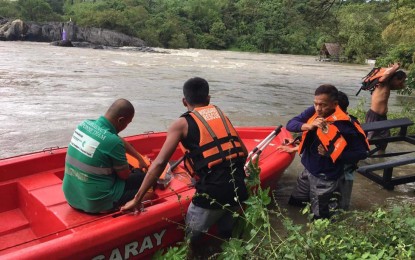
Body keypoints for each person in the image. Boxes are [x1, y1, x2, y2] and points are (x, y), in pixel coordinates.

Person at [121, 77, 249, 249]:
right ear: (208, 99)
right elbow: (244, 152)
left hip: (212, 194)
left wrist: (137, 199)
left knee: (190, 243)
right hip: (239, 188)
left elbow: (159, 164)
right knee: (227, 238)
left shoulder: (181, 124)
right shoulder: (222, 115)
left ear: (184, 101)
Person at [284, 85, 368, 219]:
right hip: (307, 169)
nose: (318, 108)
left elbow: (362, 153)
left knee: (321, 218)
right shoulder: (315, 111)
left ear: (335, 105)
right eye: (316, 104)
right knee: (294, 205)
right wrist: (308, 126)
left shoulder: (345, 126)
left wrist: (332, 153)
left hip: (325, 177)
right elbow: (291, 124)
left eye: (323, 105)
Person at [63, 98, 150, 214]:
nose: (126, 127)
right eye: (127, 123)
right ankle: (126, 210)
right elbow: (124, 176)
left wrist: (139, 158)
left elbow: (113, 138)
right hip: (97, 202)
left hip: (71, 197)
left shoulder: (84, 124)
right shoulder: (113, 142)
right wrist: (137, 169)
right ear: (121, 120)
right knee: (147, 181)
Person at [365, 63, 406, 153]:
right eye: (401, 81)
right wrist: (394, 68)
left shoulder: (388, 86)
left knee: (385, 140)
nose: (401, 83)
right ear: (395, 78)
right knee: (368, 139)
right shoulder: (383, 83)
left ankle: (381, 158)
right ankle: (362, 157)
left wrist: (391, 71)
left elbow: (401, 86)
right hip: (374, 116)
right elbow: (383, 77)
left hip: (383, 117)